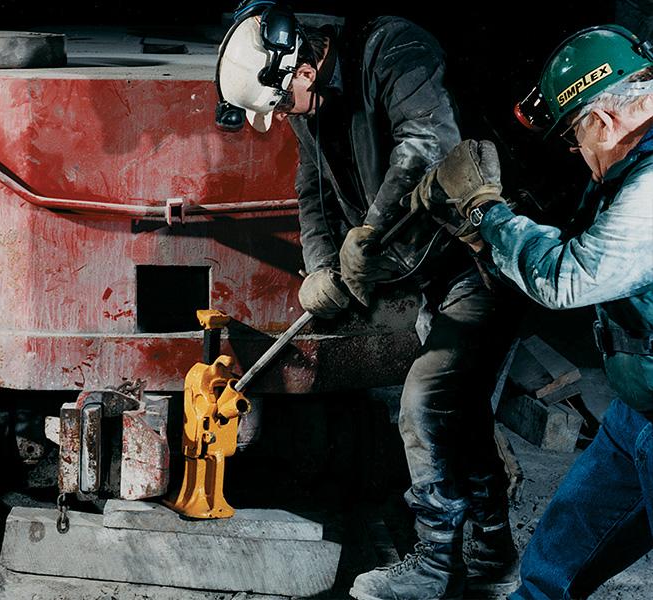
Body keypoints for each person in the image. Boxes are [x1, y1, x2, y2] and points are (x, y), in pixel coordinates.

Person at [216, 2, 522, 598]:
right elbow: (312, 187)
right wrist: (322, 265)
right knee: (462, 410)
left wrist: (370, 235)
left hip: (481, 260)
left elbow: (428, 145)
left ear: (301, 69)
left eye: (279, 105)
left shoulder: (395, 52)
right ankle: (492, 557)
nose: (280, 119)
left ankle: (433, 567)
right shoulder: (308, 106)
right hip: (434, 274)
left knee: (425, 403)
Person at [414, 24, 653, 599]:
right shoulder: (628, 174)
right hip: (637, 408)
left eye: (575, 137)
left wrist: (487, 213)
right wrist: (492, 242)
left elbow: (569, 277)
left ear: (602, 121)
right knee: (553, 563)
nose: (578, 153)